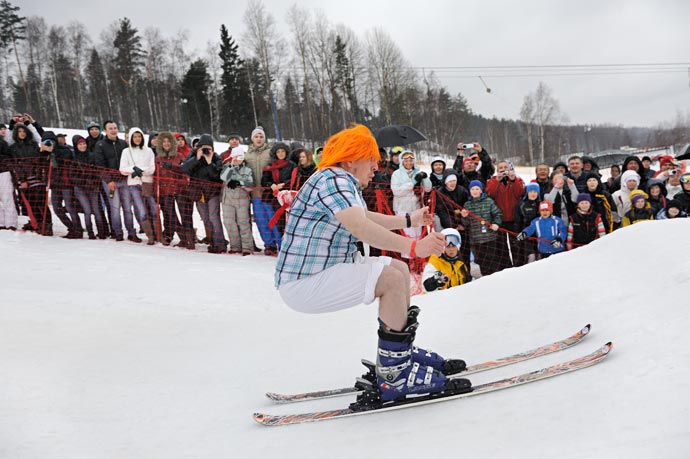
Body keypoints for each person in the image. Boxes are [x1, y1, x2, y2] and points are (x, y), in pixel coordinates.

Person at [274, 124, 471, 403]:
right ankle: (394, 375)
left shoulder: (337, 180)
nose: (376, 167)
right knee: (389, 279)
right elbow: (360, 228)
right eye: (371, 159)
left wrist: (407, 221)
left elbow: (363, 217)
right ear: (351, 159)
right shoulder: (334, 180)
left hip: (319, 275)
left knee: (398, 269)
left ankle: (397, 356)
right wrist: (415, 247)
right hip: (305, 283)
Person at [179, 134, 225, 253]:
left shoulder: (216, 158)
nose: (205, 150)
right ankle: (212, 240)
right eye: (203, 148)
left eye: (208, 148)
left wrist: (210, 163)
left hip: (212, 192)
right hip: (198, 193)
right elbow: (184, 169)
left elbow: (218, 176)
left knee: (214, 217)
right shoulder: (193, 155)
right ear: (198, 148)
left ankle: (220, 243)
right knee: (205, 218)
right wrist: (196, 159)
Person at [94, 120, 135, 242]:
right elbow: (100, 165)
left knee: (127, 208)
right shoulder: (100, 145)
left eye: (115, 128)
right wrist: (108, 180)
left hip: (124, 180)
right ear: (105, 131)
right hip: (110, 182)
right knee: (115, 207)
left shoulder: (123, 144)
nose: (113, 130)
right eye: (110, 128)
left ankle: (131, 232)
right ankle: (118, 232)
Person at [390, 150, 432, 261]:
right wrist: (413, 182)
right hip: (402, 208)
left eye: (411, 160)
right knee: (406, 234)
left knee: (417, 235)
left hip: (416, 207)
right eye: (406, 161)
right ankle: (407, 259)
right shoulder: (397, 174)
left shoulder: (417, 172)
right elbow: (397, 191)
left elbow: (428, 188)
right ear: (402, 162)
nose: (408, 163)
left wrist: (425, 178)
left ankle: (417, 259)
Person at [245, 126, 280, 255]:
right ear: (252, 138)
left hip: (269, 193)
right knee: (261, 220)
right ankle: (269, 244)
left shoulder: (270, 152)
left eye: (261, 137)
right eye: (256, 136)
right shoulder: (247, 154)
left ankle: (280, 243)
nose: (258, 139)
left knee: (273, 219)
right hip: (255, 193)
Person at [460, 180, 506, 277]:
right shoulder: (467, 205)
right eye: (472, 189)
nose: (475, 191)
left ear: (481, 191)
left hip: (490, 237)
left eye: (477, 189)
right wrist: (464, 217)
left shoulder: (489, 202)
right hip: (477, 239)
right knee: (481, 260)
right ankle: (485, 278)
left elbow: (497, 214)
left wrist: (496, 224)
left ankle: (496, 277)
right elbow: (466, 223)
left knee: (492, 259)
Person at [119, 127, 157, 244]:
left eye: (139, 136)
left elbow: (152, 167)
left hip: (147, 182)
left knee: (154, 209)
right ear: (131, 138)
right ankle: (150, 235)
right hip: (134, 183)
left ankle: (158, 234)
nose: (137, 138)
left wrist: (141, 170)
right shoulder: (126, 151)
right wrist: (132, 169)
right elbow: (122, 169)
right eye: (134, 136)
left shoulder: (148, 151)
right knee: (141, 210)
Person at [486, 160, 525, 267]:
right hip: (499, 220)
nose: (503, 169)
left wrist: (513, 180)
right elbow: (489, 193)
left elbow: (520, 193)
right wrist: (497, 181)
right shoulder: (493, 181)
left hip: (514, 219)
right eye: (500, 168)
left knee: (516, 245)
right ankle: (505, 266)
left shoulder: (516, 180)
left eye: (505, 167)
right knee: (501, 246)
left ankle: (519, 265)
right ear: (497, 170)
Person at [221, 147, 255, 255]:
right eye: (236, 156)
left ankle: (247, 247)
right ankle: (235, 246)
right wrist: (231, 166)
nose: (238, 159)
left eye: (240, 157)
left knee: (243, 223)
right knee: (229, 222)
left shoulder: (247, 170)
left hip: (242, 200)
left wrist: (240, 182)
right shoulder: (226, 167)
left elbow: (250, 184)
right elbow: (223, 177)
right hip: (228, 200)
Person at [71, 135, 106, 239]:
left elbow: (97, 171)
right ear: (76, 146)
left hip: (93, 186)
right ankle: (90, 232)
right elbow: (72, 175)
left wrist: (92, 180)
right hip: (80, 188)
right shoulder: (73, 158)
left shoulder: (92, 156)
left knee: (97, 210)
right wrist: (82, 181)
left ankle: (101, 232)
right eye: (80, 144)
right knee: (87, 210)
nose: (83, 146)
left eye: (84, 143)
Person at [434, 169, 470, 265]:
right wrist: (453, 226)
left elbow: (467, 207)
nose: (452, 183)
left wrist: (463, 224)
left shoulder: (462, 190)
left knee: (465, 249)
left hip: (463, 224)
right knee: (451, 249)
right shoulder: (440, 192)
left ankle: (466, 271)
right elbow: (441, 211)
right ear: (445, 182)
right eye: (450, 181)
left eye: (454, 181)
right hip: (448, 225)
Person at [155, 131, 185, 246]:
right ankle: (174, 235)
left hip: (178, 189)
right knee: (170, 214)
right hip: (164, 190)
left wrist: (173, 167)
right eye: (164, 141)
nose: (166, 143)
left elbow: (184, 171)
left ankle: (187, 237)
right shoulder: (158, 158)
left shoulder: (179, 156)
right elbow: (156, 175)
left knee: (184, 215)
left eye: (168, 141)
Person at [262, 142, 296, 238]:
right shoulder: (270, 165)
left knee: (289, 221)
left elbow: (296, 178)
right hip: (274, 197)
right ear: (275, 154)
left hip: (289, 196)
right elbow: (264, 180)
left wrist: (284, 184)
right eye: (278, 152)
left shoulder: (292, 165)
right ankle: (281, 242)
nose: (281, 153)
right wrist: (271, 184)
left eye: (283, 151)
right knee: (278, 222)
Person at [422, 228, 470, 292]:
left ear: (458, 247)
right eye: (448, 247)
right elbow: (426, 286)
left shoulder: (460, 264)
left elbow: (469, 283)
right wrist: (437, 281)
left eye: (453, 247)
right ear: (443, 248)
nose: (451, 249)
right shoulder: (435, 262)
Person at [514, 182, 541, 263]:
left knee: (539, 255)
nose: (533, 194)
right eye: (531, 192)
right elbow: (518, 221)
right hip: (526, 234)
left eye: (535, 192)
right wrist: (518, 234)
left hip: (539, 234)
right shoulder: (522, 204)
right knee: (530, 255)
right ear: (527, 192)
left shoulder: (541, 203)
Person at [0, 123, 17, 230]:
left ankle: (11, 223)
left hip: (4, 171)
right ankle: (1, 223)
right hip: (4, 170)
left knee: (7, 197)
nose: (3, 131)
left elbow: (9, 157)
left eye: (4, 129)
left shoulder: (5, 142)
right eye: (1, 129)